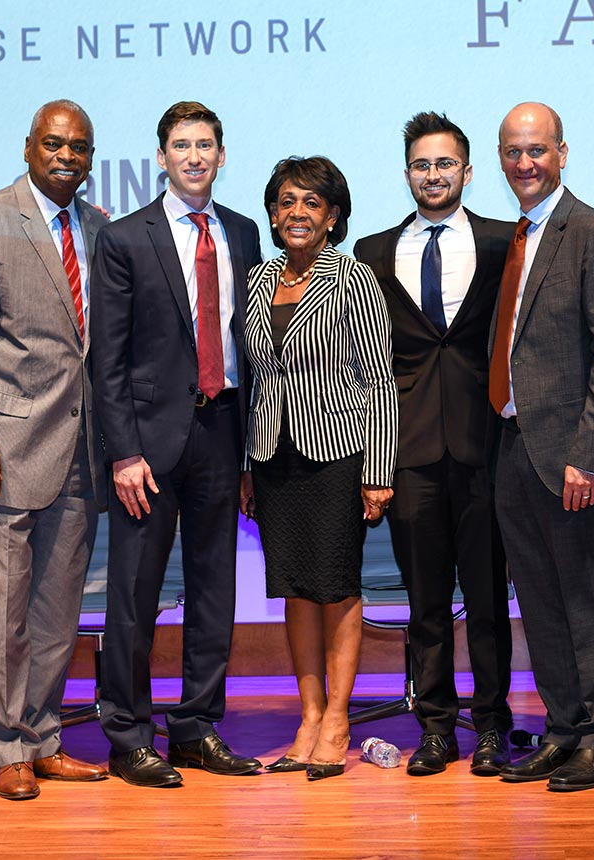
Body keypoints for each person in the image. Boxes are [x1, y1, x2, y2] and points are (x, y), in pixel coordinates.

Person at [0, 100, 109, 801]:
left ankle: (42, 738)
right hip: (1, 452)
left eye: (80, 148)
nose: (67, 157)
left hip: (80, 451)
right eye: (54, 144)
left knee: (55, 608)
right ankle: (3, 743)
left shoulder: (97, 228)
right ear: (30, 146)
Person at [90, 101, 263, 787]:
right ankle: (129, 735)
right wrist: (122, 452)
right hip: (148, 445)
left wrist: (251, 452)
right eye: (181, 145)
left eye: (206, 145)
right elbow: (108, 359)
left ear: (222, 156)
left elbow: (251, 350)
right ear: (161, 157)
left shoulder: (245, 233)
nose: (194, 156)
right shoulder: (127, 238)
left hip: (222, 431)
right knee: (134, 593)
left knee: (215, 586)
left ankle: (195, 727)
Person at [352, 112, 515, 777]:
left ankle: (495, 727)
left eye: (445, 164)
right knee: (424, 605)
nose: (434, 175)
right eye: (422, 164)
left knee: (486, 601)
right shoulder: (371, 252)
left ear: (467, 172)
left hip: (487, 448)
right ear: (406, 174)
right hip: (409, 453)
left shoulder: (509, 242)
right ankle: (436, 730)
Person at [492, 102, 594, 793]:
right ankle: (562, 730)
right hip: (516, 445)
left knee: (583, 598)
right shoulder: (518, 238)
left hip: (573, 454)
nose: (525, 163)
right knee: (539, 600)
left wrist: (589, 454)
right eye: (514, 152)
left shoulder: (591, 232)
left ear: (562, 152)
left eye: (537, 151)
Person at [242, 156, 398, 780]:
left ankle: (338, 718)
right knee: (295, 591)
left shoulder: (354, 278)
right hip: (272, 460)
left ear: (333, 216)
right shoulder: (257, 280)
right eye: (285, 202)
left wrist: (379, 470)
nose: (296, 213)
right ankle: (307, 716)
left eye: (310, 203)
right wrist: (247, 466)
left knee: (336, 589)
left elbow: (379, 378)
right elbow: (254, 379)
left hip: (337, 453)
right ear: (273, 214)